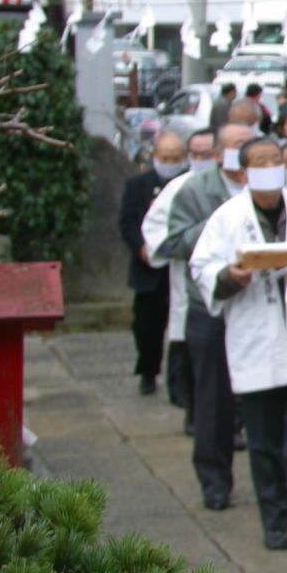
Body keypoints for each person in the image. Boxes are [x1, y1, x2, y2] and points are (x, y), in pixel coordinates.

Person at [188, 136, 287, 551]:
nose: (270, 167)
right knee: (263, 442)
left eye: (275, 160)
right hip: (256, 340)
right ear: (243, 171)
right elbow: (203, 267)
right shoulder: (227, 217)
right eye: (261, 161)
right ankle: (274, 520)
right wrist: (229, 276)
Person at [148, 120, 258, 509]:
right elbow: (173, 241)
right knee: (213, 398)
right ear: (218, 154)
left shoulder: (270, 189)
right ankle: (214, 480)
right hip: (210, 305)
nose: (245, 151)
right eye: (237, 144)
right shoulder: (193, 190)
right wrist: (219, 224)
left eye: (250, 142)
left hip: (259, 303)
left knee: (273, 397)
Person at [142, 128, 217, 424]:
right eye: (195, 154)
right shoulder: (180, 187)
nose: (201, 159)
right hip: (191, 277)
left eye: (206, 153)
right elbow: (157, 231)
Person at [119, 129, 185, 397]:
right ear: (155, 156)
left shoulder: (189, 183)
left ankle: (180, 380)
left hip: (180, 265)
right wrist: (141, 248)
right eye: (165, 157)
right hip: (149, 267)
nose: (170, 162)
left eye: (176, 157)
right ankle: (148, 371)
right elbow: (127, 221)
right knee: (147, 325)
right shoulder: (137, 184)